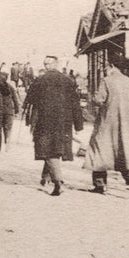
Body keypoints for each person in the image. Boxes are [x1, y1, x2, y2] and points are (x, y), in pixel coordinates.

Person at [22, 55, 83, 196]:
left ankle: (58, 182)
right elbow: (76, 104)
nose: (46, 66)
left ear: (55, 64)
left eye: (48, 64)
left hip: (45, 121)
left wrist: (28, 117)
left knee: (47, 150)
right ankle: (46, 176)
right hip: (64, 122)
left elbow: (30, 100)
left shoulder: (40, 80)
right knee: (54, 148)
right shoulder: (68, 81)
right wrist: (78, 125)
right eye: (45, 63)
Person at [82, 54, 129, 196]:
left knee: (99, 150)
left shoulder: (106, 81)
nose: (105, 69)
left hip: (107, 123)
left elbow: (99, 100)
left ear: (112, 66)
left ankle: (100, 185)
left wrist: (92, 97)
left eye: (106, 66)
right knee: (124, 153)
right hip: (127, 124)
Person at [0, 70, 21, 150]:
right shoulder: (10, 87)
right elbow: (15, 99)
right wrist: (17, 110)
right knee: (8, 128)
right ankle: (7, 142)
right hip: (9, 110)